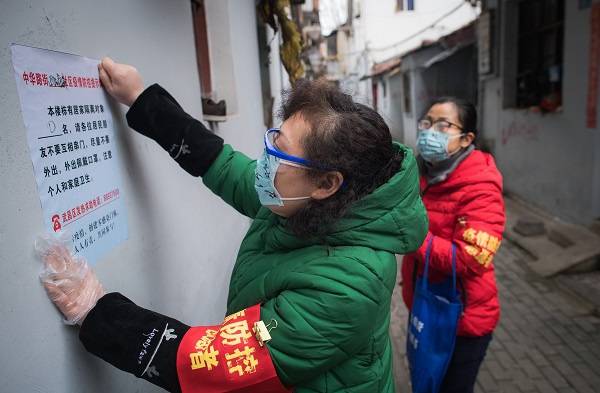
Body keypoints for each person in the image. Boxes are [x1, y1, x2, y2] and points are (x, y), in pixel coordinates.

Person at [38, 57, 429, 393]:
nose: (265, 158)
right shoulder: (300, 200)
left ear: (327, 184)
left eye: (281, 151)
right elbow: (222, 165)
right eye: (273, 138)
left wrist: (97, 313)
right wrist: (142, 100)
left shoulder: (351, 285)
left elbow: (220, 363)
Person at [401, 97, 506, 393]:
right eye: (427, 123)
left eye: (443, 125)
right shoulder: (425, 174)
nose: (431, 131)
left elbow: (471, 259)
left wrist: (413, 237)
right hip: (425, 304)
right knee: (424, 379)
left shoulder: (480, 185)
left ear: (466, 138)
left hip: (463, 319)